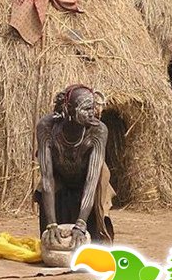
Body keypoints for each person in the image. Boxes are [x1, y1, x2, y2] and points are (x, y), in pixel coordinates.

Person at [35, 85, 115, 252]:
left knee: (93, 248)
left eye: (93, 107)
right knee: (53, 241)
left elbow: (92, 181)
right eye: (85, 108)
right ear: (68, 109)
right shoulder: (46, 127)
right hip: (59, 181)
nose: (92, 112)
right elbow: (47, 178)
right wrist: (51, 224)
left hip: (90, 186)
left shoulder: (98, 131)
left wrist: (81, 224)